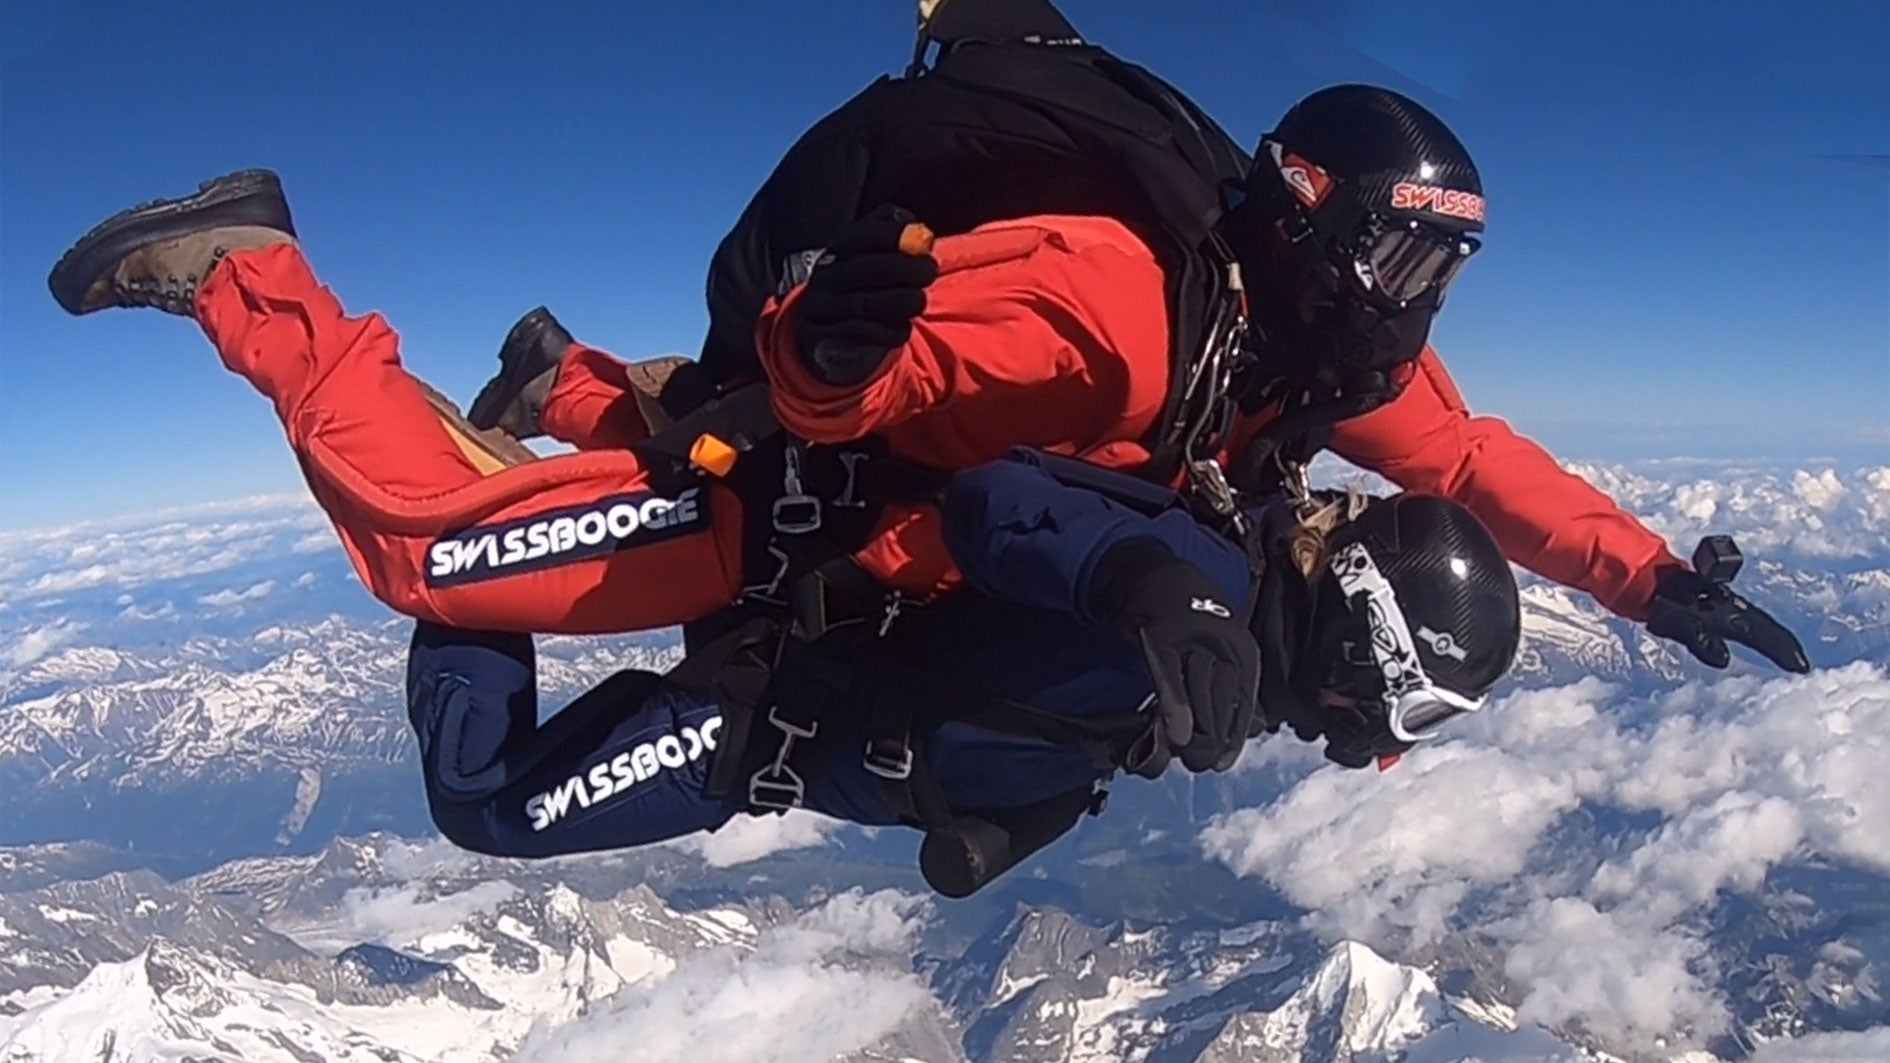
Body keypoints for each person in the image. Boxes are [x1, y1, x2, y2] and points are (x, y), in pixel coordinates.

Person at [404, 450, 1526, 896]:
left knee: (494, 802)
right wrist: (1143, 581)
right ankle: (447, 581)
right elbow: (1000, 504)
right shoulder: (1202, 581)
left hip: (792, 710)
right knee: (485, 802)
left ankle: (501, 511)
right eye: (1406, 706)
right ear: (1364, 641)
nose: (1369, 739)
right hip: (754, 717)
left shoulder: (1216, 626)